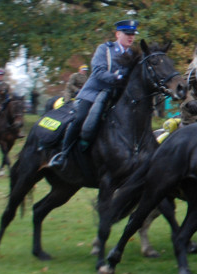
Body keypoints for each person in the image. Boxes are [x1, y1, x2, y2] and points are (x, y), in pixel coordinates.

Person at [49, 19, 139, 170]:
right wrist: (118, 78)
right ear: (118, 34)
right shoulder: (105, 49)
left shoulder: (132, 55)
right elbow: (98, 72)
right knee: (81, 118)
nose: (131, 37)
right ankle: (63, 154)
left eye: (133, 34)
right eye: (127, 34)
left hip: (117, 95)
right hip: (93, 92)